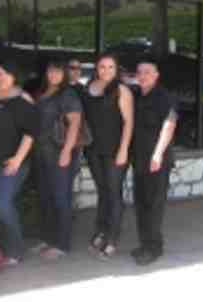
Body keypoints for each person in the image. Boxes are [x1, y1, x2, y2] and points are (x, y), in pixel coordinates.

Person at [0, 60, 39, 266]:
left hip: (11, 162)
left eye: (5, 73)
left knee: (3, 204)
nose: (1, 77)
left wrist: (18, 159)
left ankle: (16, 250)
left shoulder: (22, 99)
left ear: (14, 76)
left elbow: (31, 133)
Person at [82, 52, 134, 260]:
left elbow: (129, 122)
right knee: (103, 191)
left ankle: (112, 238)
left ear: (116, 69)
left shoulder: (122, 90)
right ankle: (101, 230)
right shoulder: (89, 87)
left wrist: (124, 150)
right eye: (102, 66)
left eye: (110, 67)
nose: (106, 70)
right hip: (93, 149)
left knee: (113, 193)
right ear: (97, 68)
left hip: (115, 150)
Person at [32, 60, 83, 259]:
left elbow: (75, 123)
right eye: (51, 71)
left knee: (61, 198)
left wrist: (67, 151)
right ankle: (47, 238)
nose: (54, 74)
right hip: (41, 153)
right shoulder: (43, 93)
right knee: (45, 197)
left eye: (58, 71)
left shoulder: (67, 94)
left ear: (64, 74)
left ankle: (62, 244)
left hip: (59, 152)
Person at [130, 59, 178, 266]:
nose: (143, 75)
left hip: (157, 161)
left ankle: (154, 248)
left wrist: (157, 154)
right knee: (141, 204)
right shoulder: (136, 95)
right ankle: (144, 244)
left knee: (154, 205)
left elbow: (169, 125)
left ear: (156, 75)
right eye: (139, 72)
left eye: (148, 72)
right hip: (139, 159)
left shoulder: (165, 97)